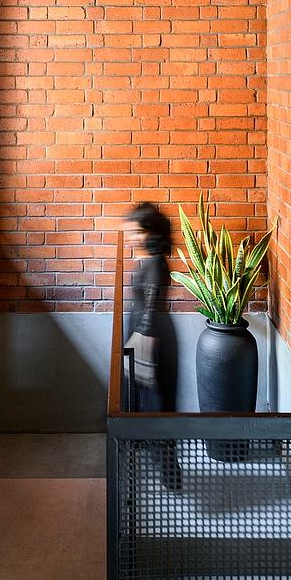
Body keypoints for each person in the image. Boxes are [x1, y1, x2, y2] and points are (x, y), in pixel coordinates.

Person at [123, 201, 183, 491]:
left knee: (159, 406)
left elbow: (150, 308)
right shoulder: (149, 258)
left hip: (152, 341)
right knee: (148, 403)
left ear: (150, 233)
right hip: (145, 337)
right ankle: (159, 469)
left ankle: (170, 475)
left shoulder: (156, 263)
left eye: (135, 232)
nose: (131, 237)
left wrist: (138, 344)